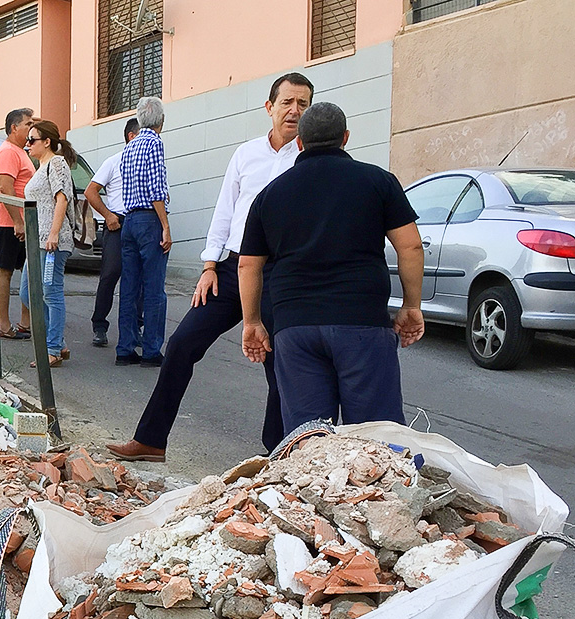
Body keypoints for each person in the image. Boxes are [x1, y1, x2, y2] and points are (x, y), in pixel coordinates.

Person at [107, 73, 313, 463]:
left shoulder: (309, 159)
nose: (294, 111)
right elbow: (225, 212)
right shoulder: (246, 154)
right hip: (231, 271)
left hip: (279, 276)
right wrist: (209, 266)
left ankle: (278, 456)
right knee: (183, 343)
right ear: (269, 108)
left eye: (302, 104)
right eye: (287, 102)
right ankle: (151, 440)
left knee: (279, 364)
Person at [239, 102, 425, 430]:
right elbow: (410, 245)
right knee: (375, 438)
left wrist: (252, 322)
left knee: (308, 442)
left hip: (295, 328)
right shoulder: (378, 181)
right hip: (362, 324)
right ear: (346, 138)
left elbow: (248, 266)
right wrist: (411, 305)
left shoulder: (270, 195)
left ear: (299, 142)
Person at [116, 96, 171, 367]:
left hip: (129, 220)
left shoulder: (129, 147)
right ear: (161, 120)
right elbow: (156, 189)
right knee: (154, 288)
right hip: (150, 220)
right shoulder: (155, 143)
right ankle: (151, 349)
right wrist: (165, 226)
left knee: (129, 286)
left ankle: (124, 348)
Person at [19, 120, 79, 368]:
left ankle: (52, 348)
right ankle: (57, 342)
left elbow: (62, 199)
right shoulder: (41, 166)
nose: (27, 145)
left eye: (32, 140)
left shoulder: (56, 163)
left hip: (51, 242)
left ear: (47, 142)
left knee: (50, 292)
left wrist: (53, 234)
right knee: (26, 291)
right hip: (37, 242)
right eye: (27, 140)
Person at [85, 117, 142, 348]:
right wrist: (108, 215)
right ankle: (99, 325)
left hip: (140, 221)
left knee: (139, 278)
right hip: (117, 223)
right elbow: (91, 191)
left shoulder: (148, 163)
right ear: (131, 136)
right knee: (110, 275)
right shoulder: (114, 161)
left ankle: (135, 326)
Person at [0, 108, 35, 341]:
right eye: (27, 124)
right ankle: (4, 323)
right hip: (10, 222)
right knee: (5, 271)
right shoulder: (9, 152)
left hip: (20, 221)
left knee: (27, 269)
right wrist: (18, 221)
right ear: (14, 128)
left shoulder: (20, 151)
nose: (31, 128)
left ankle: (25, 321)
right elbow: (5, 187)